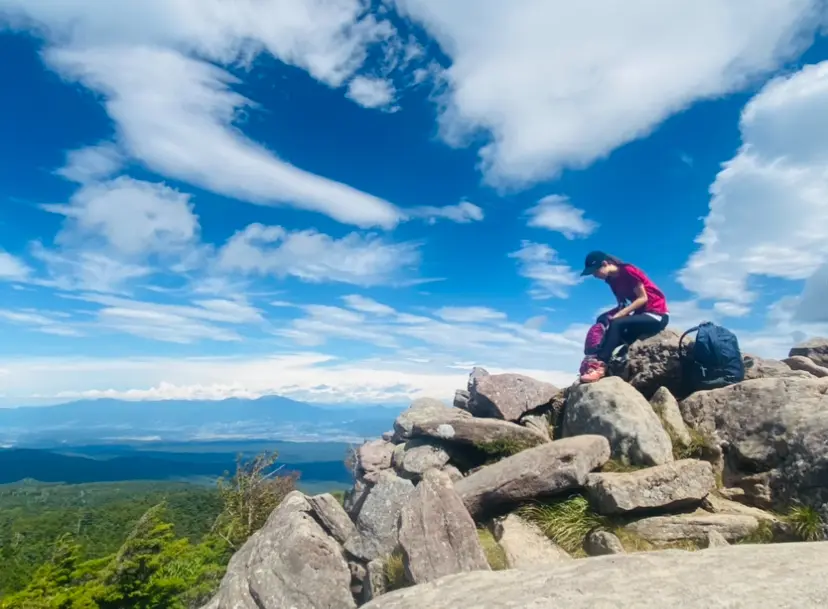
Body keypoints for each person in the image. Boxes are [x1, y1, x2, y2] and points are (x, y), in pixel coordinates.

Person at [578, 251, 670, 383]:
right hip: (641, 315)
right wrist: (606, 317)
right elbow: (623, 304)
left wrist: (619, 315)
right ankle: (595, 362)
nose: (594, 275)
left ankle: (600, 366)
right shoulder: (611, 281)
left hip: (656, 314)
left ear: (605, 264)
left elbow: (642, 298)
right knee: (610, 329)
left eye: (595, 271)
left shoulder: (628, 271)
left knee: (617, 324)